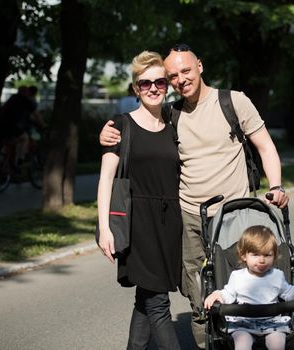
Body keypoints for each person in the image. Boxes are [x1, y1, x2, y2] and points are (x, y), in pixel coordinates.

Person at [99, 43, 289, 349]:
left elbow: (265, 146)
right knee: (198, 297)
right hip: (187, 217)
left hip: (234, 215)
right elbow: (134, 130)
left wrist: (276, 186)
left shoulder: (233, 102)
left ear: (199, 66)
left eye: (184, 70)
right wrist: (107, 132)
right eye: (172, 75)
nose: (179, 79)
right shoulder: (172, 112)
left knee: (246, 292)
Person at [97, 50, 182, 349]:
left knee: (146, 300)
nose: (154, 88)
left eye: (160, 81)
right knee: (158, 303)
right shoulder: (120, 125)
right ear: (135, 88)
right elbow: (106, 179)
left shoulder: (175, 121)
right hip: (137, 224)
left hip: (170, 223)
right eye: (145, 83)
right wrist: (104, 228)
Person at [204, 225, 294, 350]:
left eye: (267, 255)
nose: (262, 260)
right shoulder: (237, 276)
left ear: (274, 256)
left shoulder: (277, 275)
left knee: (278, 343)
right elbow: (228, 294)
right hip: (243, 322)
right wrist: (217, 294)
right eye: (255, 255)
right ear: (243, 256)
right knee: (242, 344)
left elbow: (288, 292)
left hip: (272, 322)